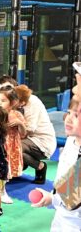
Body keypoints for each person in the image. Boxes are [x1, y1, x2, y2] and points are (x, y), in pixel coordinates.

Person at [0, 75, 56, 184]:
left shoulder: (31, 101)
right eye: (1, 93)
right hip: (22, 137)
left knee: (10, 146)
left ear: (15, 87)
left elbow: (29, 129)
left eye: (8, 88)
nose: (5, 93)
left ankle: (39, 167)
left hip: (40, 141)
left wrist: (14, 126)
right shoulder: (8, 103)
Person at [32, 98, 81, 231]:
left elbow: (72, 199)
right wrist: (52, 197)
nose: (68, 119)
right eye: (69, 112)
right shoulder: (71, 141)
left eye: (76, 115)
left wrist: (54, 198)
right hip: (62, 216)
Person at [0, 86, 26, 203]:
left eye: (3, 101)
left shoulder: (17, 114)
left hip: (12, 145)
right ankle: (0, 191)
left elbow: (23, 134)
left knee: (7, 169)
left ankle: (2, 191)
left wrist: (20, 124)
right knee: (1, 168)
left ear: (12, 102)